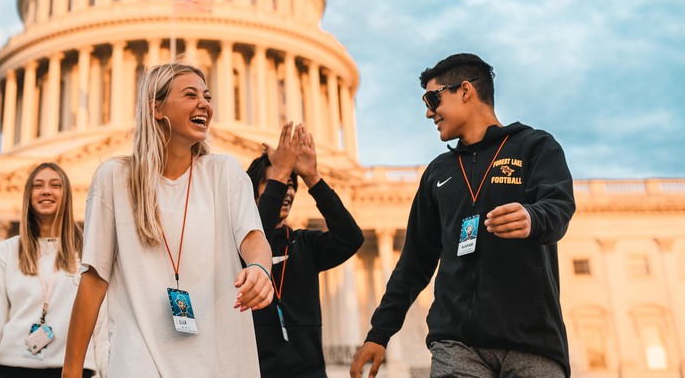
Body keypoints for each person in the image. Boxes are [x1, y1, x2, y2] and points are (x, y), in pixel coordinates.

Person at [349, 53, 575, 378]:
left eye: (433, 98)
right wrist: (379, 333)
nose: (428, 112)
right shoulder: (437, 173)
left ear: (465, 90)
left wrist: (533, 217)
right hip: (455, 346)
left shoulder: (535, 147)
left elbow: (560, 205)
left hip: (531, 343)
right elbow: (414, 263)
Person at [62, 62, 274, 377]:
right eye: (191, 95)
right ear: (156, 108)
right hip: (140, 359)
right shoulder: (114, 179)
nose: (205, 103)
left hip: (218, 360)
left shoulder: (225, 173)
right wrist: (71, 369)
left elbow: (253, 238)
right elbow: (94, 276)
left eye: (208, 96)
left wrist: (259, 269)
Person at [0, 162, 108, 378]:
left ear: (68, 194)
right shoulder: (5, 253)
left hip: (73, 372)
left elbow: (103, 327)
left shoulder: (89, 252)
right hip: (14, 371)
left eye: (55, 185)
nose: (46, 190)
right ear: (28, 195)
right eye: (38, 185)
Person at [246, 121, 364, 377]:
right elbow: (257, 238)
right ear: (253, 193)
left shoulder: (306, 244)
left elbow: (351, 238)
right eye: (275, 183)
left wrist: (312, 177)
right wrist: (280, 170)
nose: (286, 191)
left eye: (291, 184)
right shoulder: (239, 246)